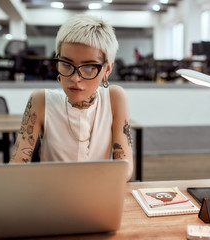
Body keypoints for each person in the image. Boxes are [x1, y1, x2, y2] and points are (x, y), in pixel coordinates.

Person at [10, 14, 134, 181]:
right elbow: (16, 167)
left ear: (107, 70)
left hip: (98, 196)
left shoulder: (114, 98)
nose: (76, 78)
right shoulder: (41, 101)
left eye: (89, 67)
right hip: (51, 198)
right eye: (67, 65)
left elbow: (125, 167)